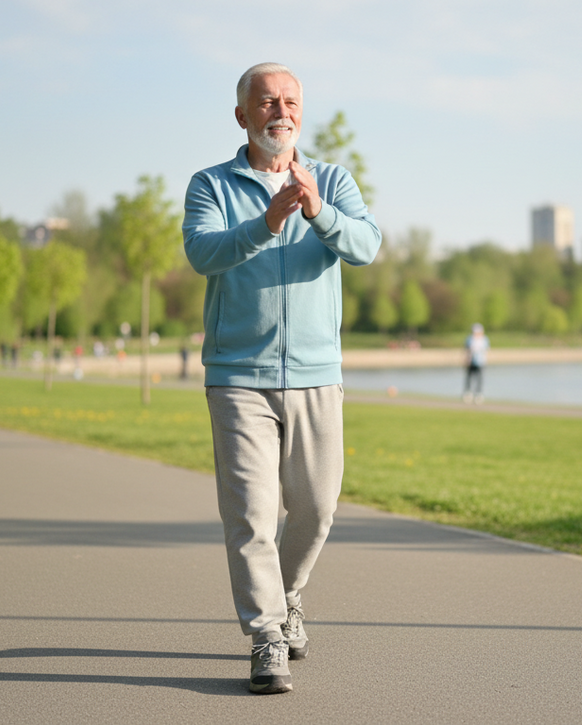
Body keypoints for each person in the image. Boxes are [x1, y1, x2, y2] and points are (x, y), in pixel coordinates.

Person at [183, 62, 381, 695]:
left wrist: (317, 211)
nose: (280, 111)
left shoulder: (333, 179)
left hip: (319, 376)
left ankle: (287, 594)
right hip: (239, 375)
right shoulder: (210, 184)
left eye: (290, 101)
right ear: (242, 115)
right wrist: (268, 220)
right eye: (266, 102)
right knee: (252, 514)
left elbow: (366, 245)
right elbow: (202, 253)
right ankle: (267, 634)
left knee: (317, 509)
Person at [462, 323, 489, 403]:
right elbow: (466, 350)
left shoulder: (484, 339)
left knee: (479, 379)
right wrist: (465, 359)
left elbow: (486, 350)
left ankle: (479, 394)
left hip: (480, 362)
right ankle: (468, 393)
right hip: (470, 361)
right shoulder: (469, 339)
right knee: (469, 378)